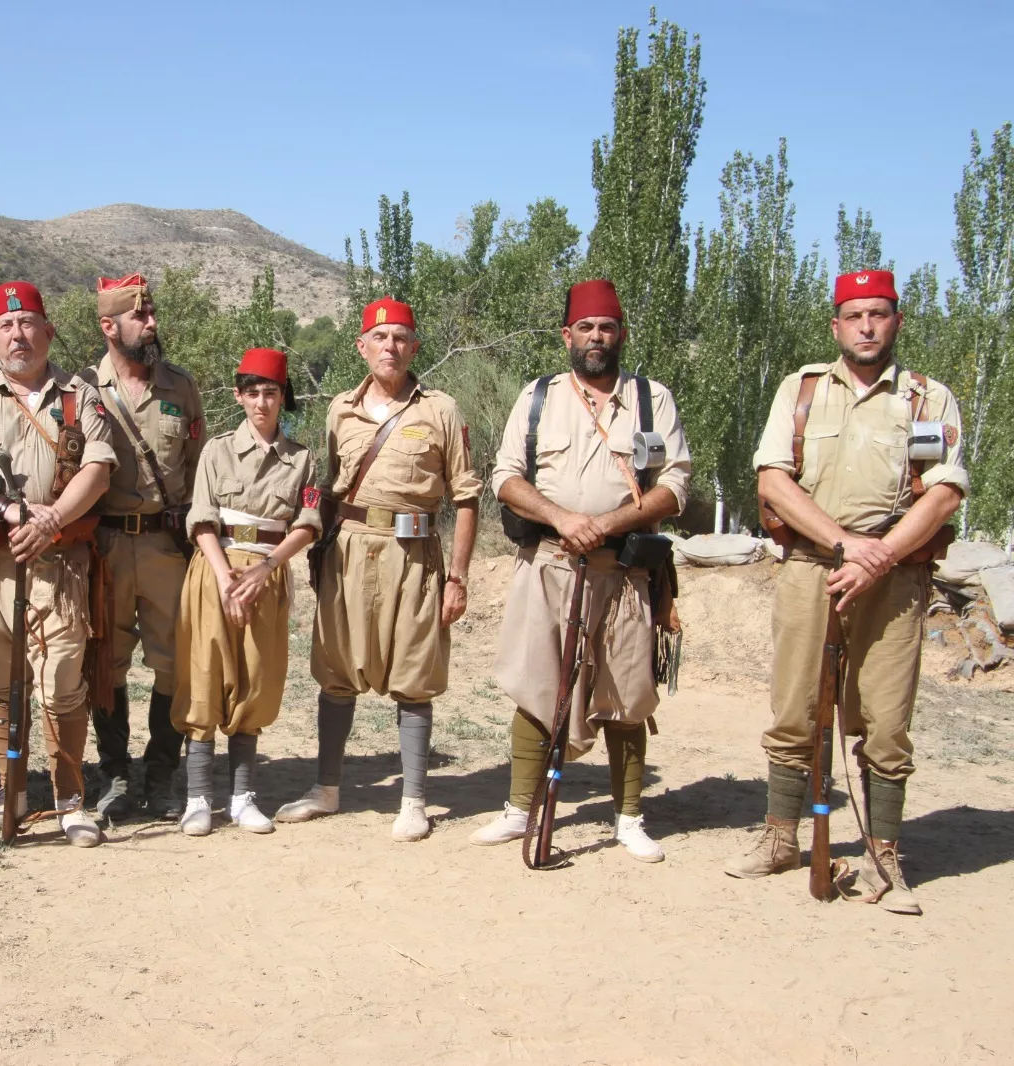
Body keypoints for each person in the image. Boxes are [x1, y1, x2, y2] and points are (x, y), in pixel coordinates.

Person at [725, 269, 966, 914]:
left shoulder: (926, 399)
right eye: (854, 315)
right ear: (836, 324)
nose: (866, 327)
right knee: (794, 708)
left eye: (879, 315)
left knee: (887, 718)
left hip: (893, 579)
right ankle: (780, 837)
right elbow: (774, 480)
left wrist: (878, 555)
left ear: (898, 321)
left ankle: (884, 855)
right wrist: (844, 545)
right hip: (812, 569)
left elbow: (943, 492)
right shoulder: (801, 390)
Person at [469, 279, 691, 862]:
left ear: (621, 335)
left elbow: (676, 486)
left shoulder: (652, 399)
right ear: (567, 335)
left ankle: (629, 817)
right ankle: (520, 810)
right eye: (586, 328)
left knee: (627, 692)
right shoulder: (538, 396)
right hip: (550, 563)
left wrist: (612, 522)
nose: (597, 338)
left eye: (608, 328)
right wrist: (563, 517)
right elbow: (506, 477)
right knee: (536, 685)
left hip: (624, 572)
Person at [275, 297, 480, 841]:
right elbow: (325, 487)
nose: (390, 347)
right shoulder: (340, 409)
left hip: (414, 557)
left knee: (414, 674)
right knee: (337, 670)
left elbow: (466, 498)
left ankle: (413, 800)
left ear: (414, 347)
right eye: (380, 338)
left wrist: (456, 578)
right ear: (362, 347)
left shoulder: (441, 409)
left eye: (401, 338)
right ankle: (326, 787)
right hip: (348, 551)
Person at [0, 281, 117, 847]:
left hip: (61, 564)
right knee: (0, 683)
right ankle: (10, 793)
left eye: (29, 323)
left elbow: (98, 468)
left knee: (62, 682)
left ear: (48, 332)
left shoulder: (80, 397)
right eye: (7, 327)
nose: (19, 334)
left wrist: (50, 520)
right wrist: (6, 509)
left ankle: (70, 799)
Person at [173, 348, 320, 836]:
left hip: (268, 575)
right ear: (238, 396)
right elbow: (201, 519)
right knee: (204, 675)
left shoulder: (301, 459)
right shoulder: (215, 451)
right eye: (252, 393)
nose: (262, 403)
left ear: (284, 397)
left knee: (256, 678)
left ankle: (241, 798)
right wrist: (223, 576)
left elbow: (308, 524)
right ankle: (198, 799)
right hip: (215, 572)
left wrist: (266, 569)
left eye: (271, 393)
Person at [78, 273, 205, 820]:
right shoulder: (82, 388)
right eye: (139, 316)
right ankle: (114, 775)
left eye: (151, 313)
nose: (151, 323)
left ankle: (161, 773)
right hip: (104, 545)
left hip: (165, 545)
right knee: (104, 664)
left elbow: (200, 471)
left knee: (175, 664)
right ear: (110, 326)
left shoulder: (181, 386)